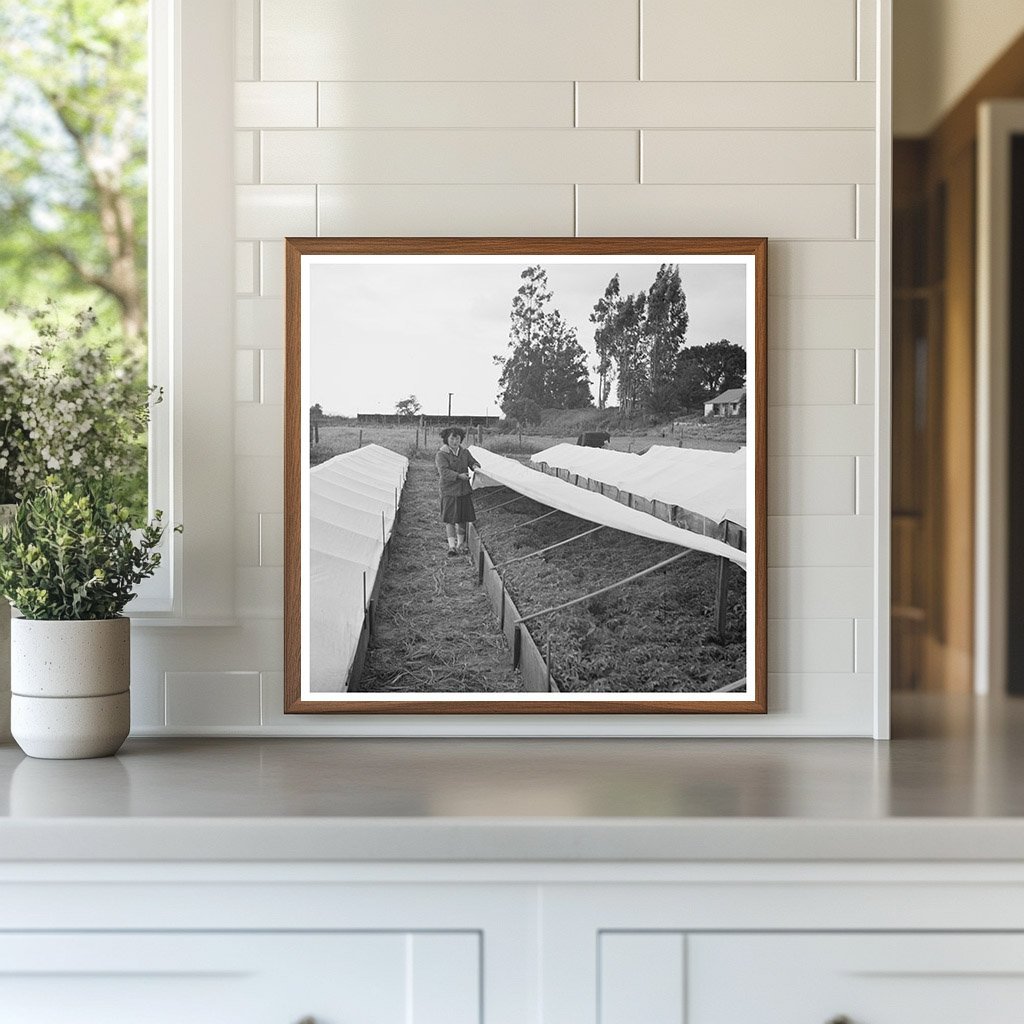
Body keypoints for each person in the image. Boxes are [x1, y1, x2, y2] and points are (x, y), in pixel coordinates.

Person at [435, 426, 480, 556]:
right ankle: (451, 546)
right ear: (446, 439)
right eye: (452, 438)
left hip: (463, 490)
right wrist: (459, 476)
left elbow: (472, 462)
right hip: (449, 490)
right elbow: (444, 472)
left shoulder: (464, 452)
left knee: (462, 518)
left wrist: (475, 466)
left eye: (458, 439)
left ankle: (461, 544)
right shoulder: (442, 454)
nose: (455, 441)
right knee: (450, 519)